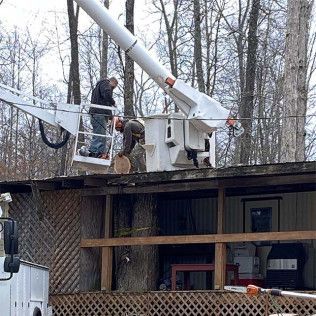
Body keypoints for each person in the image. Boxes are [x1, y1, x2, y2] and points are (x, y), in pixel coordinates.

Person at [80, 77, 118, 158]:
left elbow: (104, 103)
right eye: (113, 87)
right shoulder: (105, 83)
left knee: (99, 134)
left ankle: (97, 152)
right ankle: (96, 152)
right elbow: (107, 94)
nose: (112, 89)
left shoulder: (98, 88)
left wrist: (111, 117)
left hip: (96, 113)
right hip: (99, 114)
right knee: (100, 135)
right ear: (112, 83)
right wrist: (113, 102)